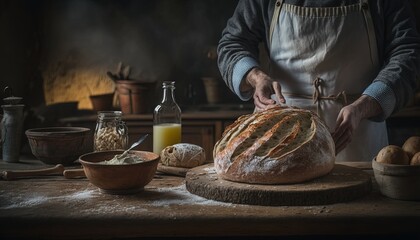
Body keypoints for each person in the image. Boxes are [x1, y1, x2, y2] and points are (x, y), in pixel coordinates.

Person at [217, 0, 420, 162]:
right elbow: (232, 43)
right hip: (280, 141)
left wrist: (364, 106)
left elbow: (409, 55)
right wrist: (256, 77)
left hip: (360, 138)